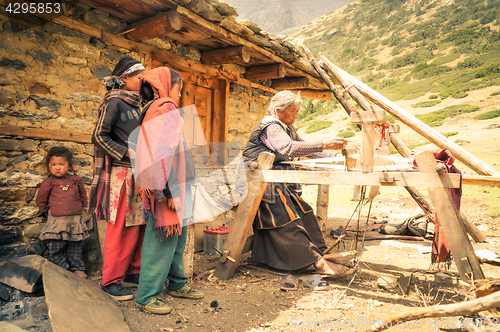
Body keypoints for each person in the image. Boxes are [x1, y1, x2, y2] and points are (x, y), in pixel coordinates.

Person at [242, 90, 350, 276]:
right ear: (278, 110)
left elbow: (308, 151)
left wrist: (337, 158)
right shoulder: (271, 126)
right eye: (293, 111)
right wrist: (324, 143)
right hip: (256, 183)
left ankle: (319, 254)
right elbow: (288, 148)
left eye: (297, 111)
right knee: (285, 217)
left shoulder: (287, 128)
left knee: (304, 212)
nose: (296, 115)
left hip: (273, 183)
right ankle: (315, 262)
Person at [133, 66, 203, 315]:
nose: (180, 95)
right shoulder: (165, 108)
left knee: (177, 238)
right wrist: (171, 191)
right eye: (179, 89)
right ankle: (146, 296)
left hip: (173, 184)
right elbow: (162, 154)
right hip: (167, 187)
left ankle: (177, 284)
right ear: (165, 86)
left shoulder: (154, 109)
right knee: (161, 239)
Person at [89, 57, 146, 301]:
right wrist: (126, 151)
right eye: (139, 77)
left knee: (138, 225)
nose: (143, 80)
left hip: (139, 174)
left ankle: (133, 272)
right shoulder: (114, 101)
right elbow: (98, 136)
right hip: (121, 175)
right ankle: (110, 280)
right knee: (120, 227)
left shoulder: (140, 104)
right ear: (124, 79)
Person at [36, 146, 89, 278]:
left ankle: (77, 268)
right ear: (49, 165)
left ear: (69, 165)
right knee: (56, 247)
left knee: (75, 246)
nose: (57, 167)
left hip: (75, 221)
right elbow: (41, 200)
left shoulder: (76, 180)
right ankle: (61, 270)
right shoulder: (49, 182)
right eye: (53, 164)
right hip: (57, 222)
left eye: (61, 164)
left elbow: (83, 196)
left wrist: (85, 207)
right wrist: (47, 213)